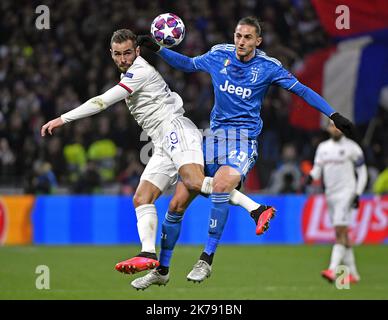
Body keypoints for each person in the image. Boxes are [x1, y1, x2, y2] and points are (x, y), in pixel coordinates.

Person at [132, 16, 356, 289]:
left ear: (258, 41)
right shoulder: (219, 54)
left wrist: (333, 114)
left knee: (222, 186)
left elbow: (303, 91)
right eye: (238, 35)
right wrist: (158, 50)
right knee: (176, 204)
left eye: (247, 37)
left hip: (242, 141)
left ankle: (206, 259)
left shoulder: (268, 67)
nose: (241, 41)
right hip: (212, 138)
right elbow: (189, 65)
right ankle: (162, 270)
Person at [40, 29, 272, 276]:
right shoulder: (129, 71)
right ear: (111, 54)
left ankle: (256, 209)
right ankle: (148, 253)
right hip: (161, 142)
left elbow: (102, 102)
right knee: (142, 198)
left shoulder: (139, 71)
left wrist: (63, 119)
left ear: (137, 51)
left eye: (128, 53)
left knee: (193, 181)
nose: (123, 59)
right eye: (117, 54)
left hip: (176, 130)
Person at [307, 121, 367, 284]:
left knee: (340, 231)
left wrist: (357, 193)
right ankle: (353, 275)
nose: (335, 129)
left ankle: (333, 270)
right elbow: (317, 169)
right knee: (342, 234)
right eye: (332, 126)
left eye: (337, 126)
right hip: (330, 195)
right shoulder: (323, 148)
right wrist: (311, 176)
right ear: (327, 129)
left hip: (346, 193)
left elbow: (362, 172)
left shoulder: (352, 148)